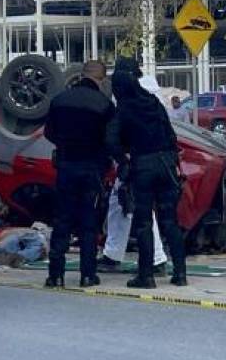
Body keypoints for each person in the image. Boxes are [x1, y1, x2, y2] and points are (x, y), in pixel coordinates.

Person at [108, 57, 187, 288]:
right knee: (170, 221)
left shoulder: (123, 109)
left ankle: (146, 276)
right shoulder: (153, 102)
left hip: (142, 166)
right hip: (165, 164)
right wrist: (171, 159)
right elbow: (171, 135)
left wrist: (123, 159)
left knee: (143, 222)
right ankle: (180, 274)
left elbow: (111, 141)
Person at [43, 60, 116, 288]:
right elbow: (110, 140)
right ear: (101, 79)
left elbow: (49, 132)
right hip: (92, 169)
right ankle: (87, 274)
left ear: (81, 75)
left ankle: (56, 275)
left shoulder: (60, 100)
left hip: (65, 165)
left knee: (62, 220)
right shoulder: (105, 105)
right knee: (88, 223)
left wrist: (66, 145)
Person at [99, 73, 170, 275]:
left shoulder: (127, 103)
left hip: (134, 163)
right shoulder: (153, 103)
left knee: (134, 208)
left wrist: (121, 159)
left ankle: (154, 260)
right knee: (124, 206)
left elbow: (116, 137)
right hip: (153, 161)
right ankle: (119, 256)